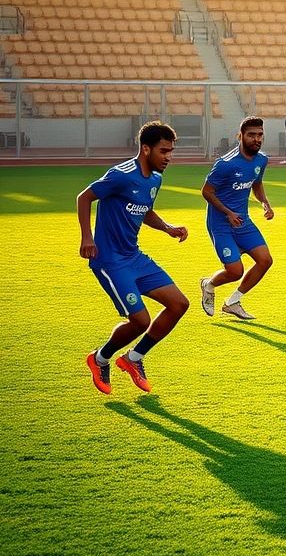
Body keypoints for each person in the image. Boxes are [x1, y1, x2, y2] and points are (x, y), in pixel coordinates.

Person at [78, 120, 190, 395]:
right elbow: (84, 197)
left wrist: (167, 228)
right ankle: (99, 359)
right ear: (146, 149)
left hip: (134, 257)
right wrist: (87, 237)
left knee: (179, 304)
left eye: (171, 151)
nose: (169, 157)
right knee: (140, 321)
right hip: (110, 261)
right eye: (164, 151)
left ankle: (133, 358)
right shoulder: (121, 175)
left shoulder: (155, 179)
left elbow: (145, 210)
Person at [200, 116, 274, 321]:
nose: (256, 139)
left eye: (260, 135)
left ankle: (233, 302)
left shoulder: (261, 160)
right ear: (240, 136)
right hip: (221, 223)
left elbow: (256, 183)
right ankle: (209, 285)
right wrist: (228, 213)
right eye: (251, 135)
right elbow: (206, 191)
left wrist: (264, 202)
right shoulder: (225, 164)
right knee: (235, 271)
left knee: (265, 260)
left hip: (243, 221)